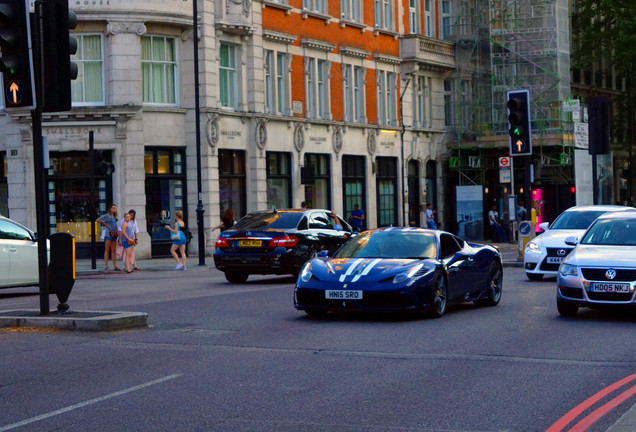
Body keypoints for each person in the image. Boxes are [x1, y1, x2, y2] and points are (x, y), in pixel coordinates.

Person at [96, 204, 120, 271]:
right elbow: (97, 220)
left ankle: (115, 266)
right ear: (110, 209)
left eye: (115, 208)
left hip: (114, 234)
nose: (114, 209)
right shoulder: (107, 215)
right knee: (107, 250)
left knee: (114, 250)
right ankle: (106, 266)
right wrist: (105, 224)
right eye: (113, 208)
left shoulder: (115, 216)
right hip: (108, 234)